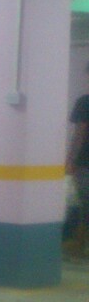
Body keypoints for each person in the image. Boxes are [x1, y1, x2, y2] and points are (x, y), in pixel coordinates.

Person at [66, 92, 89, 258]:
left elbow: (80, 133)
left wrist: (70, 160)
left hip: (85, 163)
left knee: (86, 205)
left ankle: (81, 245)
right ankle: (81, 244)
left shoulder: (84, 102)